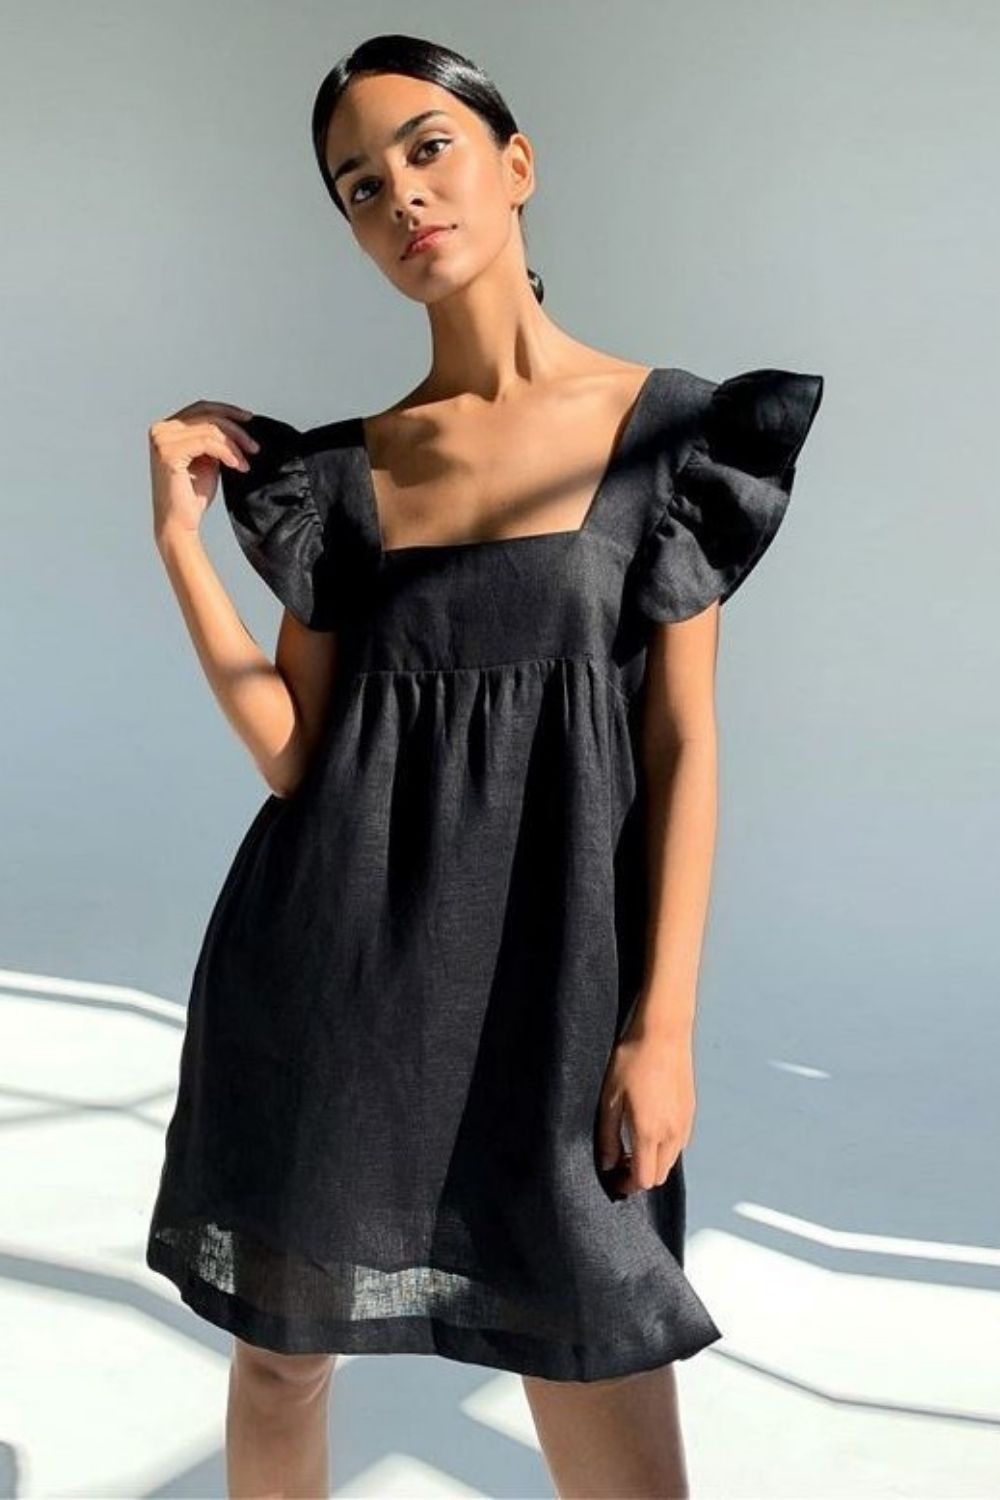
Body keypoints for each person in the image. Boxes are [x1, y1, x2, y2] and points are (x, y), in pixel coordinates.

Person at [145, 31, 824, 1500]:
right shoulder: (341, 476)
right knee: (281, 1357)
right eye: (359, 183)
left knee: (592, 1342)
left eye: (427, 147)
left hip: (563, 984)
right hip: (330, 977)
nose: (400, 194)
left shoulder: (674, 437)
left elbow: (683, 739)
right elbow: (296, 757)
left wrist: (662, 1027)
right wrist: (181, 549)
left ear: (515, 165)